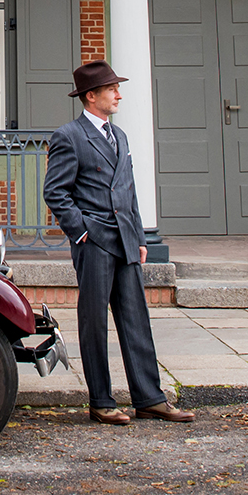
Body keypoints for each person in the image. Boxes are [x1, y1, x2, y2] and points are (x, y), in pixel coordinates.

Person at [42, 60, 196, 426]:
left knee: (136, 320)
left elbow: (127, 191)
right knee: (94, 322)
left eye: (117, 88)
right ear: (91, 96)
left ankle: (149, 398)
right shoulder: (70, 136)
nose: (119, 95)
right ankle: (101, 401)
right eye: (112, 89)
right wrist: (81, 232)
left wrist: (139, 236)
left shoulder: (120, 136)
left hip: (126, 241)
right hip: (94, 242)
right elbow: (56, 192)